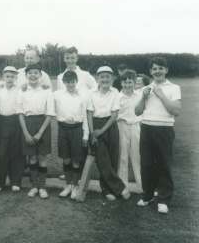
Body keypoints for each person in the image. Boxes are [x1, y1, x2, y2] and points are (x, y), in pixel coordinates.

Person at [135, 57, 181, 214]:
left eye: (160, 68)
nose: (157, 71)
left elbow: (176, 111)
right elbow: (137, 111)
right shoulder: (146, 88)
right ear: (150, 72)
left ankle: (164, 199)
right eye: (154, 69)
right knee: (146, 164)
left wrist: (161, 95)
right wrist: (143, 97)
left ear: (166, 70)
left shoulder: (174, 88)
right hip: (147, 128)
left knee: (164, 164)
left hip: (164, 129)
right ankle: (148, 195)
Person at [86, 66, 130, 201]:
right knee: (103, 160)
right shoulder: (91, 93)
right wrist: (93, 132)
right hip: (95, 125)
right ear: (97, 79)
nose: (105, 79)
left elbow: (114, 114)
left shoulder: (115, 92)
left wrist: (102, 130)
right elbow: (89, 113)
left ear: (112, 79)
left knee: (112, 160)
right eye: (102, 77)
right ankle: (119, 188)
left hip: (110, 126)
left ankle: (109, 189)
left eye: (108, 77)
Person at [17, 63, 55, 199]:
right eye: (30, 73)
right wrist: (26, 133)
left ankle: (42, 187)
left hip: (43, 125)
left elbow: (50, 114)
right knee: (32, 157)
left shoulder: (47, 91)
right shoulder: (22, 91)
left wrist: (40, 133)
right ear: (26, 76)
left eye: (36, 73)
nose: (33, 75)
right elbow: (20, 113)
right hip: (28, 124)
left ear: (40, 76)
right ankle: (34, 186)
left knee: (42, 157)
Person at [54, 70, 88, 199]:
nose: (70, 84)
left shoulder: (82, 96)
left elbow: (85, 116)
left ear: (76, 81)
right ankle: (68, 184)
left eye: (72, 82)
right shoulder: (57, 95)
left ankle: (75, 185)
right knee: (66, 158)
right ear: (63, 82)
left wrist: (85, 135)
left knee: (76, 159)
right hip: (63, 128)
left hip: (77, 129)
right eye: (67, 82)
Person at [0, 66, 24, 193]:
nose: (9, 79)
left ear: (16, 78)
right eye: (7, 76)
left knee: (16, 152)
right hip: (2, 121)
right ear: (3, 77)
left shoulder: (20, 89)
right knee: (1, 153)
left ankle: (15, 182)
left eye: (12, 76)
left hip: (16, 121)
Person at [117, 69, 142, 192]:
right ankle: (123, 186)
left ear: (134, 82)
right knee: (123, 157)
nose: (127, 85)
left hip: (136, 127)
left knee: (137, 155)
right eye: (125, 82)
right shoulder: (118, 97)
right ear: (121, 83)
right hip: (122, 126)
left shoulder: (139, 95)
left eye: (130, 82)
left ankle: (141, 185)